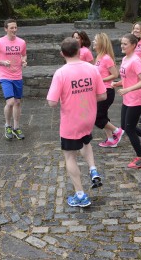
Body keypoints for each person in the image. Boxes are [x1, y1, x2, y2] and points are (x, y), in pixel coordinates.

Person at [47, 38, 107, 207]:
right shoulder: (92, 69)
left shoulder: (61, 73)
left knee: (69, 155)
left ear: (62, 54)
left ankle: (80, 195)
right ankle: (93, 169)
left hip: (71, 121)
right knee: (86, 142)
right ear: (80, 51)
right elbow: (102, 95)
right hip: (88, 118)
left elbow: (52, 102)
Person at [112, 34, 141, 169]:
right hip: (128, 98)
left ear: (133, 45)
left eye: (125, 44)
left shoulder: (135, 61)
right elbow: (128, 78)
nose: (122, 46)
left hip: (136, 98)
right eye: (121, 44)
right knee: (125, 126)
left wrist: (127, 90)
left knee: (130, 128)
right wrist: (118, 84)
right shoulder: (126, 58)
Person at [0, 19, 27, 140]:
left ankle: (16, 127)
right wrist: (2, 62)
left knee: (18, 102)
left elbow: (24, 54)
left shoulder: (21, 42)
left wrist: (24, 60)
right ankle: (7, 125)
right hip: (5, 76)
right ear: (6, 29)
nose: (14, 30)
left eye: (15, 27)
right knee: (10, 102)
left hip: (18, 76)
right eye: (11, 28)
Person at [93, 33, 125, 147]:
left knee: (97, 117)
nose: (93, 42)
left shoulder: (106, 58)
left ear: (101, 42)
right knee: (103, 116)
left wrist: (101, 79)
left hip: (107, 91)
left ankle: (117, 131)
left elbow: (115, 74)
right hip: (99, 91)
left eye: (95, 40)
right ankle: (111, 140)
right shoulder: (98, 57)